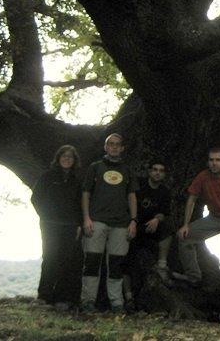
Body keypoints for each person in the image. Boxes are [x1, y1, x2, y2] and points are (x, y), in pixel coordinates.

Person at [80, 133, 139, 314]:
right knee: (92, 262)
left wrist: (133, 221)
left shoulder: (127, 171)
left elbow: (132, 196)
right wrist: (86, 218)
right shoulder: (95, 167)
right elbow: (86, 193)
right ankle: (87, 301)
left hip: (121, 224)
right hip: (96, 222)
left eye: (117, 145)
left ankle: (117, 303)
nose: (114, 147)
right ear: (105, 147)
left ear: (122, 148)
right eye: (111, 144)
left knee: (116, 265)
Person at [173, 147, 220, 287]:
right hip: (214, 218)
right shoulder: (203, 177)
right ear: (208, 162)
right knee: (184, 237)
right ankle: (193, 276)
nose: (214, 163)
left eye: (218, 160)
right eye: (211, 160)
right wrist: (186, 225)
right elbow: (192, 199)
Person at [31, 145, 84, 311]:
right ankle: (44, 296)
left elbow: (80, 204)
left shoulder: (77, 180)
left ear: (74, 160)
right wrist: (44, 216)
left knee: (66, 261)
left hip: (70, 226)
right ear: (58, 158)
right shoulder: (47, 176)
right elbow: (36, 198)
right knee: (50, 258)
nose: (67, 159)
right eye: (64, 156)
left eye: (70, 156)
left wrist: (79, 224)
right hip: (50, 224)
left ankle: (62, 297)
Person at [122, 159, 174, 311]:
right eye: (155, 170)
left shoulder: (164, 192)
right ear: (150, 171)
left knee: (167, 229)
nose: (157, 173)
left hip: (150, 227)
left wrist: (156, 220)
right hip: (133, 226)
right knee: (126, 261)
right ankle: (128, 297)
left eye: (161, 170)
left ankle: (162, 267)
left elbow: (163, 213)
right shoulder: (139, 186)